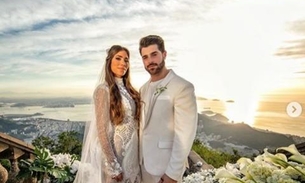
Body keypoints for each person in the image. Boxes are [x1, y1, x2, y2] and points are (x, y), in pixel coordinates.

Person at [74, 45, 141, 183]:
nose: (123, 63)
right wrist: (113, 165)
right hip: (117, 158)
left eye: (126, 60)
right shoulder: (103, 90)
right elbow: (102, 131)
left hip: (133, 155)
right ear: (109, 61)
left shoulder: (131, 91)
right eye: (118, 58)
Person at [138, 35, 198, 183]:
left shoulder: (182, 87)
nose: (150, 61)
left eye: (154, 54)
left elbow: (184, 134)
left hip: (165, 169)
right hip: (143, 165)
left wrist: (172, 174)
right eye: (145, 57)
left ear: (164, 54)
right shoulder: (143, 89)